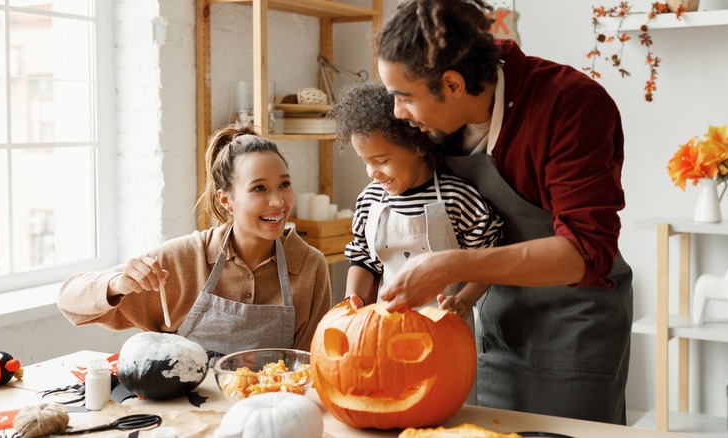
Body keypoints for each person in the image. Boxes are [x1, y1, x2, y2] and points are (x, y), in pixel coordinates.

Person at [374, 0, 633, 425]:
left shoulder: (571, 105)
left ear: (454, 85)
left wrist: (448, 265)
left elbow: (584, 253)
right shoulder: (428, 121)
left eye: (404, 98)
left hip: (575, 323)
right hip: (492, 319)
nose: (398, 113)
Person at [58, 123, 332, 355]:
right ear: (227, 200)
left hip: (271, 409)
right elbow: (69, 300)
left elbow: (310, 366)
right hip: (187, 413)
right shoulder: (188, 259)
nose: (278, 201)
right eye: (259, 188)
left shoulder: (309, 266)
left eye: (284, 184)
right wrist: (116, 283)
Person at [332, 82, 503, 404]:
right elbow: (364, 259)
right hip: (386, 331)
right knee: (394, 401)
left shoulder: (458, 197)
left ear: (419, 144)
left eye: (381, 160)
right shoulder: (370, 200)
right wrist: (352, 301)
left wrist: (464, 301)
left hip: (446, 331)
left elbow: (488, 259)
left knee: (447, 406)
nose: (372, 173)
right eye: (364, 161)